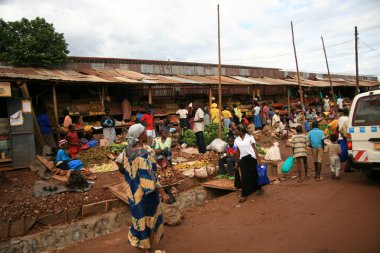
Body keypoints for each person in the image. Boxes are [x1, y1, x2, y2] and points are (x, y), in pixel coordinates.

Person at [116, 123, 170, 253]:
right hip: (146, 195)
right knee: (150, 221)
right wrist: (163, 193)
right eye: (145, 133)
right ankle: (146, 248)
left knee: (138, 220)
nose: (147, 134)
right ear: (140, 137)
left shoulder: (126, 152)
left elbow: (120, 166)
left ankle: (144, 247)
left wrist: (131, 178)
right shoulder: (144, 155)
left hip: (132, 193)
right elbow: (151, 179)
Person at [234, 124, 263, 203]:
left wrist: (258, 159)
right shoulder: (236, 140)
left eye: (236, 130)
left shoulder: (250, 137)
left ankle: (259, 188)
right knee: (244, 176)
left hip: (251, 158)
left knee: (254, 174)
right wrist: (237, 162)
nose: (234, 131)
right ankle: (244, 195)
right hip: (243, 159)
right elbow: (238, 151)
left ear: (240, 131)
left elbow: (254, 148)